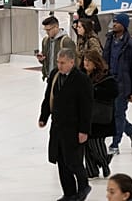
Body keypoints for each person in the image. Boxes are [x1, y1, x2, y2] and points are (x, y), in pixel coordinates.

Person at [39, 48, 93, 201]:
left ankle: (83, 187)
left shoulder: (82, 79)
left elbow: (86, 107)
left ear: (72, 62)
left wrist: (84, 130)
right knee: (61, 162)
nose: (59, 65)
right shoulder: (55, 75)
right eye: (58, 62)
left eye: (63, 63)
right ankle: (69, 193)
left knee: (74, 161)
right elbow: (48, 97)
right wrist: (43, 117)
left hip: (73, 128)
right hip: (57, 128)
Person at [103, 13, 132, 155]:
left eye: (117, 22)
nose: (114, 24)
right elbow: (104, 60)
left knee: (119, 114)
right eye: (113, 22)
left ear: (124, 25)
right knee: (111, 114)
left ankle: (115, 144)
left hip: (123, 85)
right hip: (109, 83)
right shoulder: (109, 39)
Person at [82, 50, 118, 179]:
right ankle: (91, 170)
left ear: (95, 63)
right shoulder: (81, 75)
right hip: (85, 116)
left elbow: (114, 92)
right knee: (86, 144)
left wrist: (94, 90)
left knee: (95, 143)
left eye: (88, 61)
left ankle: (104, 162)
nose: (85, 63)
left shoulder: (105, 77)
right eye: (85, 60)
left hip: (99, 116)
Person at [36, 16, 76, 81]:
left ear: (56, 27)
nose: (47, 32)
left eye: (49, 30)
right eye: (45, 30)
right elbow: (45, 61)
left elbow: (74, 61)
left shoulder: (66, 41)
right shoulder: (45, 41)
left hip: (63, 78)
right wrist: (41, 59)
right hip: (50, 77)